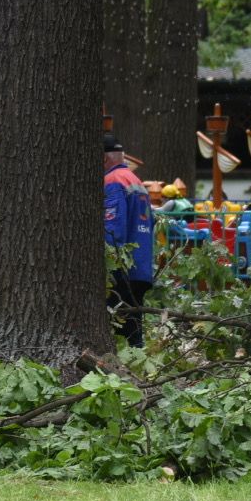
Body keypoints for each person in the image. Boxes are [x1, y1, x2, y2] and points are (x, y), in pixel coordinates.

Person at [103, 133, 154, 349]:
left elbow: (113, 229)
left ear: (104, 158)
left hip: (121, 270)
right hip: (140, 266)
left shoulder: (112, 181)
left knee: (119, 331)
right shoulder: (135, 181)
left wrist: (107, 264)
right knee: (133, 330)